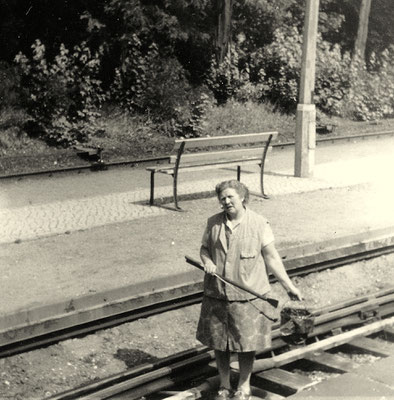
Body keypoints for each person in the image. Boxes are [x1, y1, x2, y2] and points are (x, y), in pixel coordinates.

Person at [196, 180, 303, 400]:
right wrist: (207, 261)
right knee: (220, 342)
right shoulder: (213, 223)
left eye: (230, 197)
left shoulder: (259, 223)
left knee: (246, 344)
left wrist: (289, 286)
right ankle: (224, 385)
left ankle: (243, 387)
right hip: (217, 294)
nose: (226, 202)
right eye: (222, 198)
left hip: (248, 296)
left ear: (242, 197)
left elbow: (272, 257)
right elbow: (205, 249)